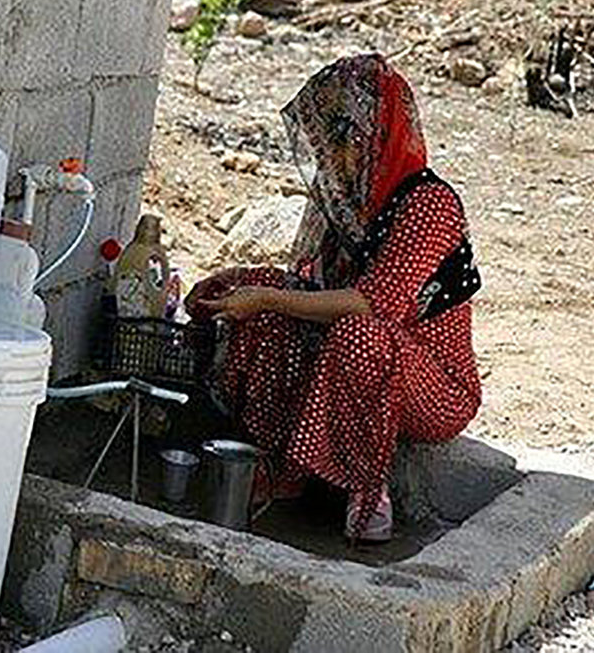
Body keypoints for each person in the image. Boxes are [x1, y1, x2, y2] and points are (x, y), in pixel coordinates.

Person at [185, 54, 482, 544]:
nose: (329, 156)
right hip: (352, 354)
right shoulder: (342, 201)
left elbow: (372, 305)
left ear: (373, 137)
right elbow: (306, 286)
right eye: (323, 142)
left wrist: (269, 298)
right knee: (261, 308)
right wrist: (239, 284)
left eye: (340, 141)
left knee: (357, 334)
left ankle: (367, 497)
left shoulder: (430, 205)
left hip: (433, 386)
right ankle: (277, 469)